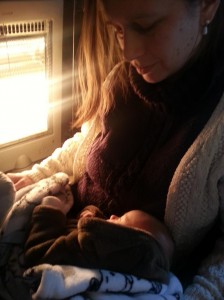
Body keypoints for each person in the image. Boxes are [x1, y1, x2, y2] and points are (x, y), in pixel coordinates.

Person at [7, 0, 224, 297]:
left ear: (207, 7)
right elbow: (83, 146)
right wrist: (35, 176)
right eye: (118, 30)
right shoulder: (121, 81)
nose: (127, 52)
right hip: (58, 237)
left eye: (146, 26)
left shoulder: (217, 124)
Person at [24, 194, 174, 283]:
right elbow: (97, 231)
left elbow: (37, 254)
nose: (114, 215)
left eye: (121, 219)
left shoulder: (86, 251)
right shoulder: (121, 261)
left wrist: (50, 210)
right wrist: (90, 214)